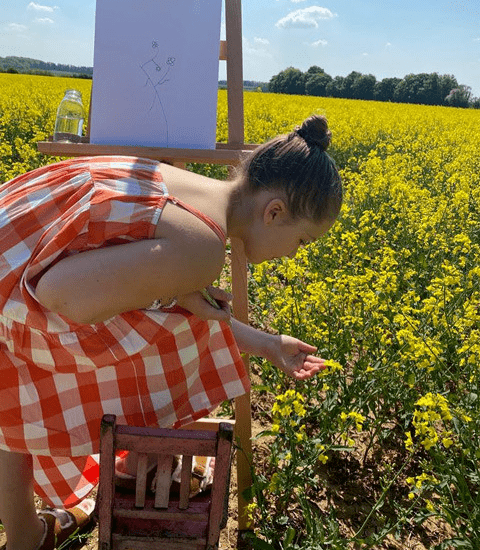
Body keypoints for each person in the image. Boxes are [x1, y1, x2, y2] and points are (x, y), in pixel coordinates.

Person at [0, 114, 342, 550]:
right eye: (302, 242)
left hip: (10, 247)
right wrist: (166, 300)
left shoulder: (190, 187)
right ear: (274, 212)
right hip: (15, 282)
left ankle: (25, 536)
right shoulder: (204, 247)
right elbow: (58, 294)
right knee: (164, 342)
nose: (292, 255)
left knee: (18, 383)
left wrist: (267, 344)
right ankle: (136, 463)